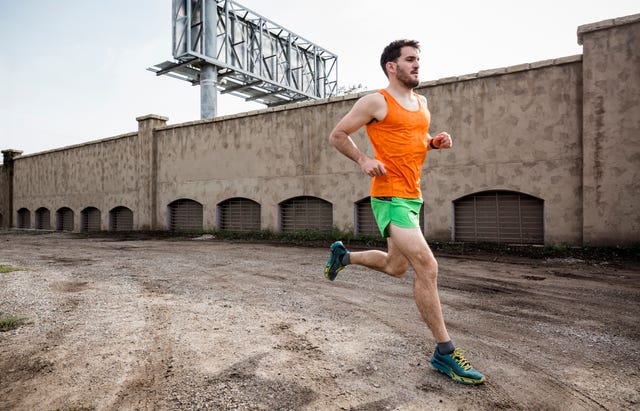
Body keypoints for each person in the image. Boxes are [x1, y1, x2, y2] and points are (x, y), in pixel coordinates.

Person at [324, 39, 485, 385]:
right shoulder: (375, 102)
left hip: (412, 196)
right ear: (391, 67)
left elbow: (412, 137)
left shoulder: (422, 103)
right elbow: (337, 135)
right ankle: (445, 353)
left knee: (396, 266)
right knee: (427, 265)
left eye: (418, 60)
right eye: (410, 60)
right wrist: (365, 159)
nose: (417, 65)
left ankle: (343, 257)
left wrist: (432, 142)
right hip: (388, 196)